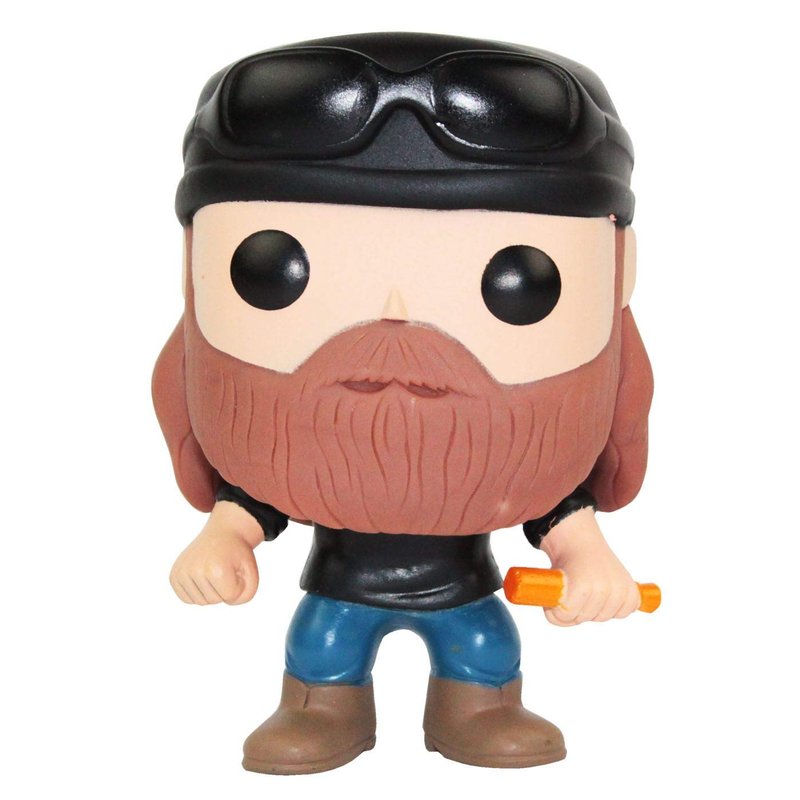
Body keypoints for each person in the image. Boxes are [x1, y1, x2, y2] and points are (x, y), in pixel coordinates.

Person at [153, 32, 654, 774]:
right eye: (274, 269)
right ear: (191, 268)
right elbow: (252, 502)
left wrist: (588, 560)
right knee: (322, 648)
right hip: (339, 590)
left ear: (620, 275)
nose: (395, 318)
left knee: (483, 648)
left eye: (519, 281)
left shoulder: (528, 456)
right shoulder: (286, 451)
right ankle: (318, 709)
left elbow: (559, 513)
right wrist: (223, 538)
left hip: (464, 589)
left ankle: (482, 707)